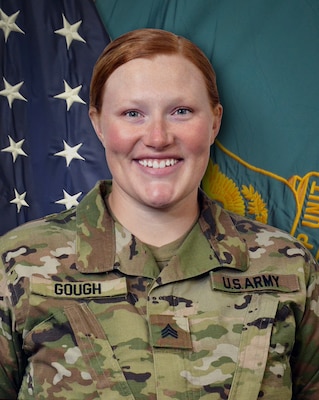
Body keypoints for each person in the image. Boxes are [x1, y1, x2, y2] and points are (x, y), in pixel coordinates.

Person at [0, 28, 318, 400]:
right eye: (132, 113)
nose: (157, 137)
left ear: (214, 122)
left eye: (181, 111)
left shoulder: (286, 265)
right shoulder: (19, 264)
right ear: (99, 123)